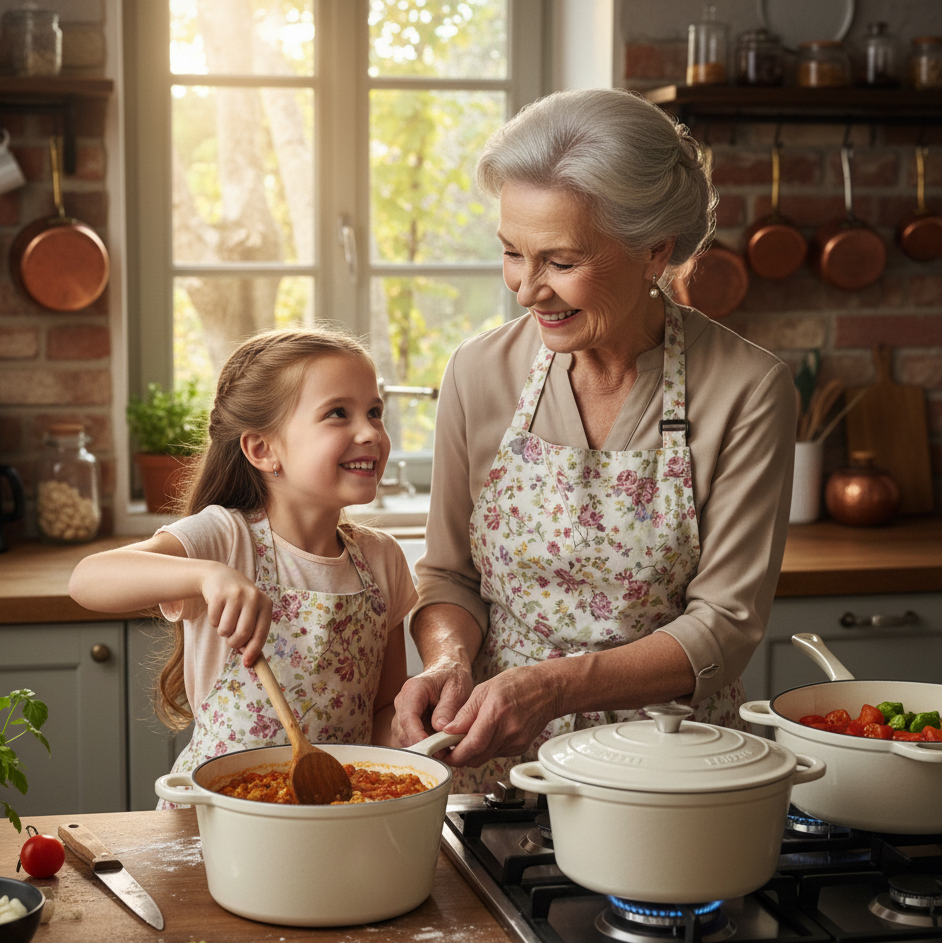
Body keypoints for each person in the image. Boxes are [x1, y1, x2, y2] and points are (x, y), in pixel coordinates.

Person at [392, 88, 797, 792]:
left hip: (669, 766)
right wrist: (447, 661)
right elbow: (449, 575)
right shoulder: (479, 371)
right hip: (496, 757)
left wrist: (552, 686)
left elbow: (723, 626)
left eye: (560, 260)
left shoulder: (746, 388)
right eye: (512, 254)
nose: (526, 290)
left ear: (653, 253)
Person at [70, 327, 416, 796]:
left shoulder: (382, 559)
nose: (370, 432)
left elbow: (381, 713)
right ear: (262, 449)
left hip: (336, 811)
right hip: (219, 815)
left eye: (375, 412)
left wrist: (417, 729)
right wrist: (206, 575)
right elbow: (87, 578)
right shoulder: (225, 539)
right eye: (339, 413)